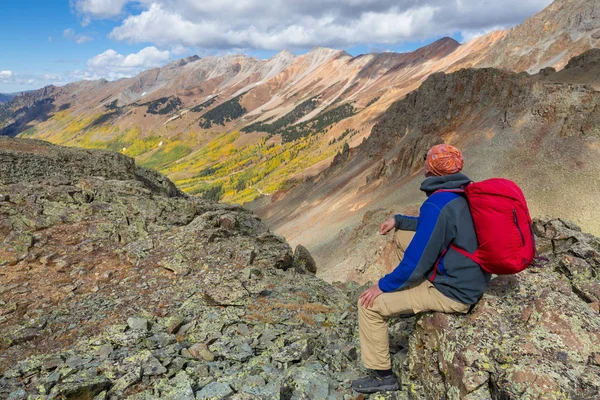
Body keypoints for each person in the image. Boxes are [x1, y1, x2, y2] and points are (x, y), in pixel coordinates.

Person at [351, 144, 491, 394]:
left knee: (368, 306)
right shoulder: (461, 192)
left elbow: (415, 263)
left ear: (432, 168)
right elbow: (434, 226)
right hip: (470, 275)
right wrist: (399, 220)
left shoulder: (437, 203)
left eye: (427, 159)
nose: (424, 163)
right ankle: (407, 299)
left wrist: (382, 286)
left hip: (453, 292)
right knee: (404, 235)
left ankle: (383, 377)